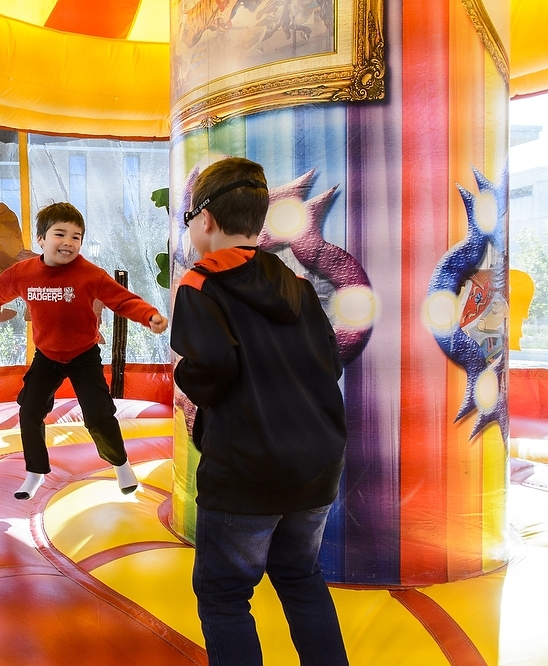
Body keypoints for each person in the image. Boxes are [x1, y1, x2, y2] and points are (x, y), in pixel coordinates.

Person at [169, 156, 348, 665]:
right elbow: (330, 365)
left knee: (224, 596)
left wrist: (183, 376)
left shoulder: (200, 283)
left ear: (204, 220)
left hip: (249, 469)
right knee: (300, 576)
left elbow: (212, 370)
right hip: (316, 465)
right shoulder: (295, 284)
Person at [0, 202, 168, 500]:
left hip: (84, 356)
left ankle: (121, 464)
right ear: (41, 239)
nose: (68, 242)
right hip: (47, 356)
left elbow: (122, 300)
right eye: (60, 234)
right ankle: (35, 471)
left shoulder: (90, 274)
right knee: (30, 412)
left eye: (76, 237)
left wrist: (149, 316)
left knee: (99, 417)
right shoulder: (23, 273)